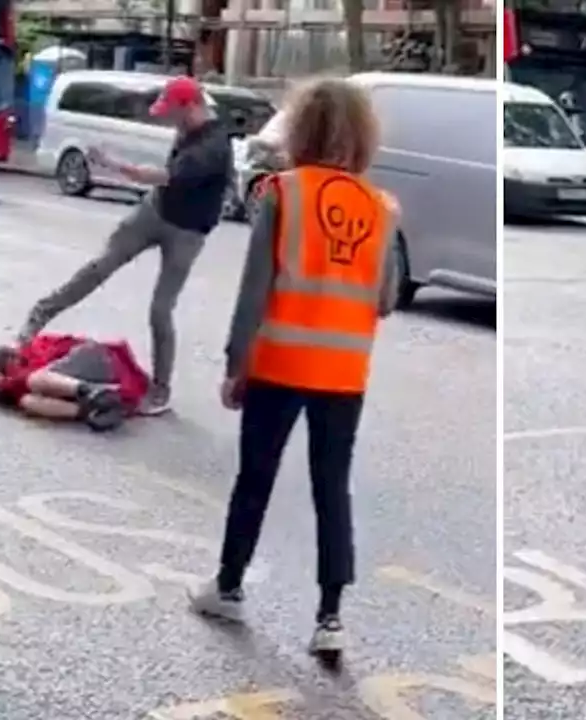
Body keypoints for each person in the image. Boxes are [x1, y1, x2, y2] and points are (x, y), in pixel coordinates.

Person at [186, 78, 400, 666]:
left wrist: (236, 363)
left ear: (301, 130)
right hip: (344, 373)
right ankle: (330, 618)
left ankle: (227, 587)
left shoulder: (282, 193)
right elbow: (385, 297)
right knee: (331, 489)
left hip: (279, 362)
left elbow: (255, 288)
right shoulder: (380, 209)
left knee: (254, 478)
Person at [17, 75, 233, 416]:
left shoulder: (214, 148)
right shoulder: (189, 124)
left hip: (188, 233)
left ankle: (161, 390)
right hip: (155, 211)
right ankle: (38, 316)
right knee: (100, 266)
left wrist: (113, 164)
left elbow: (161, 175)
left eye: (170, 111)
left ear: (190, 107)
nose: (165, 118)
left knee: (160, 310)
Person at [0, 333, 150, 431]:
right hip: (88, 378)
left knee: (35, 380)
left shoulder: (33, 349)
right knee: (28, 402)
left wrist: (4, 382)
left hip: (100, 362)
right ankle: (94, 409)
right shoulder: (16, 388)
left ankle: (93, 393)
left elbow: (28, 378)